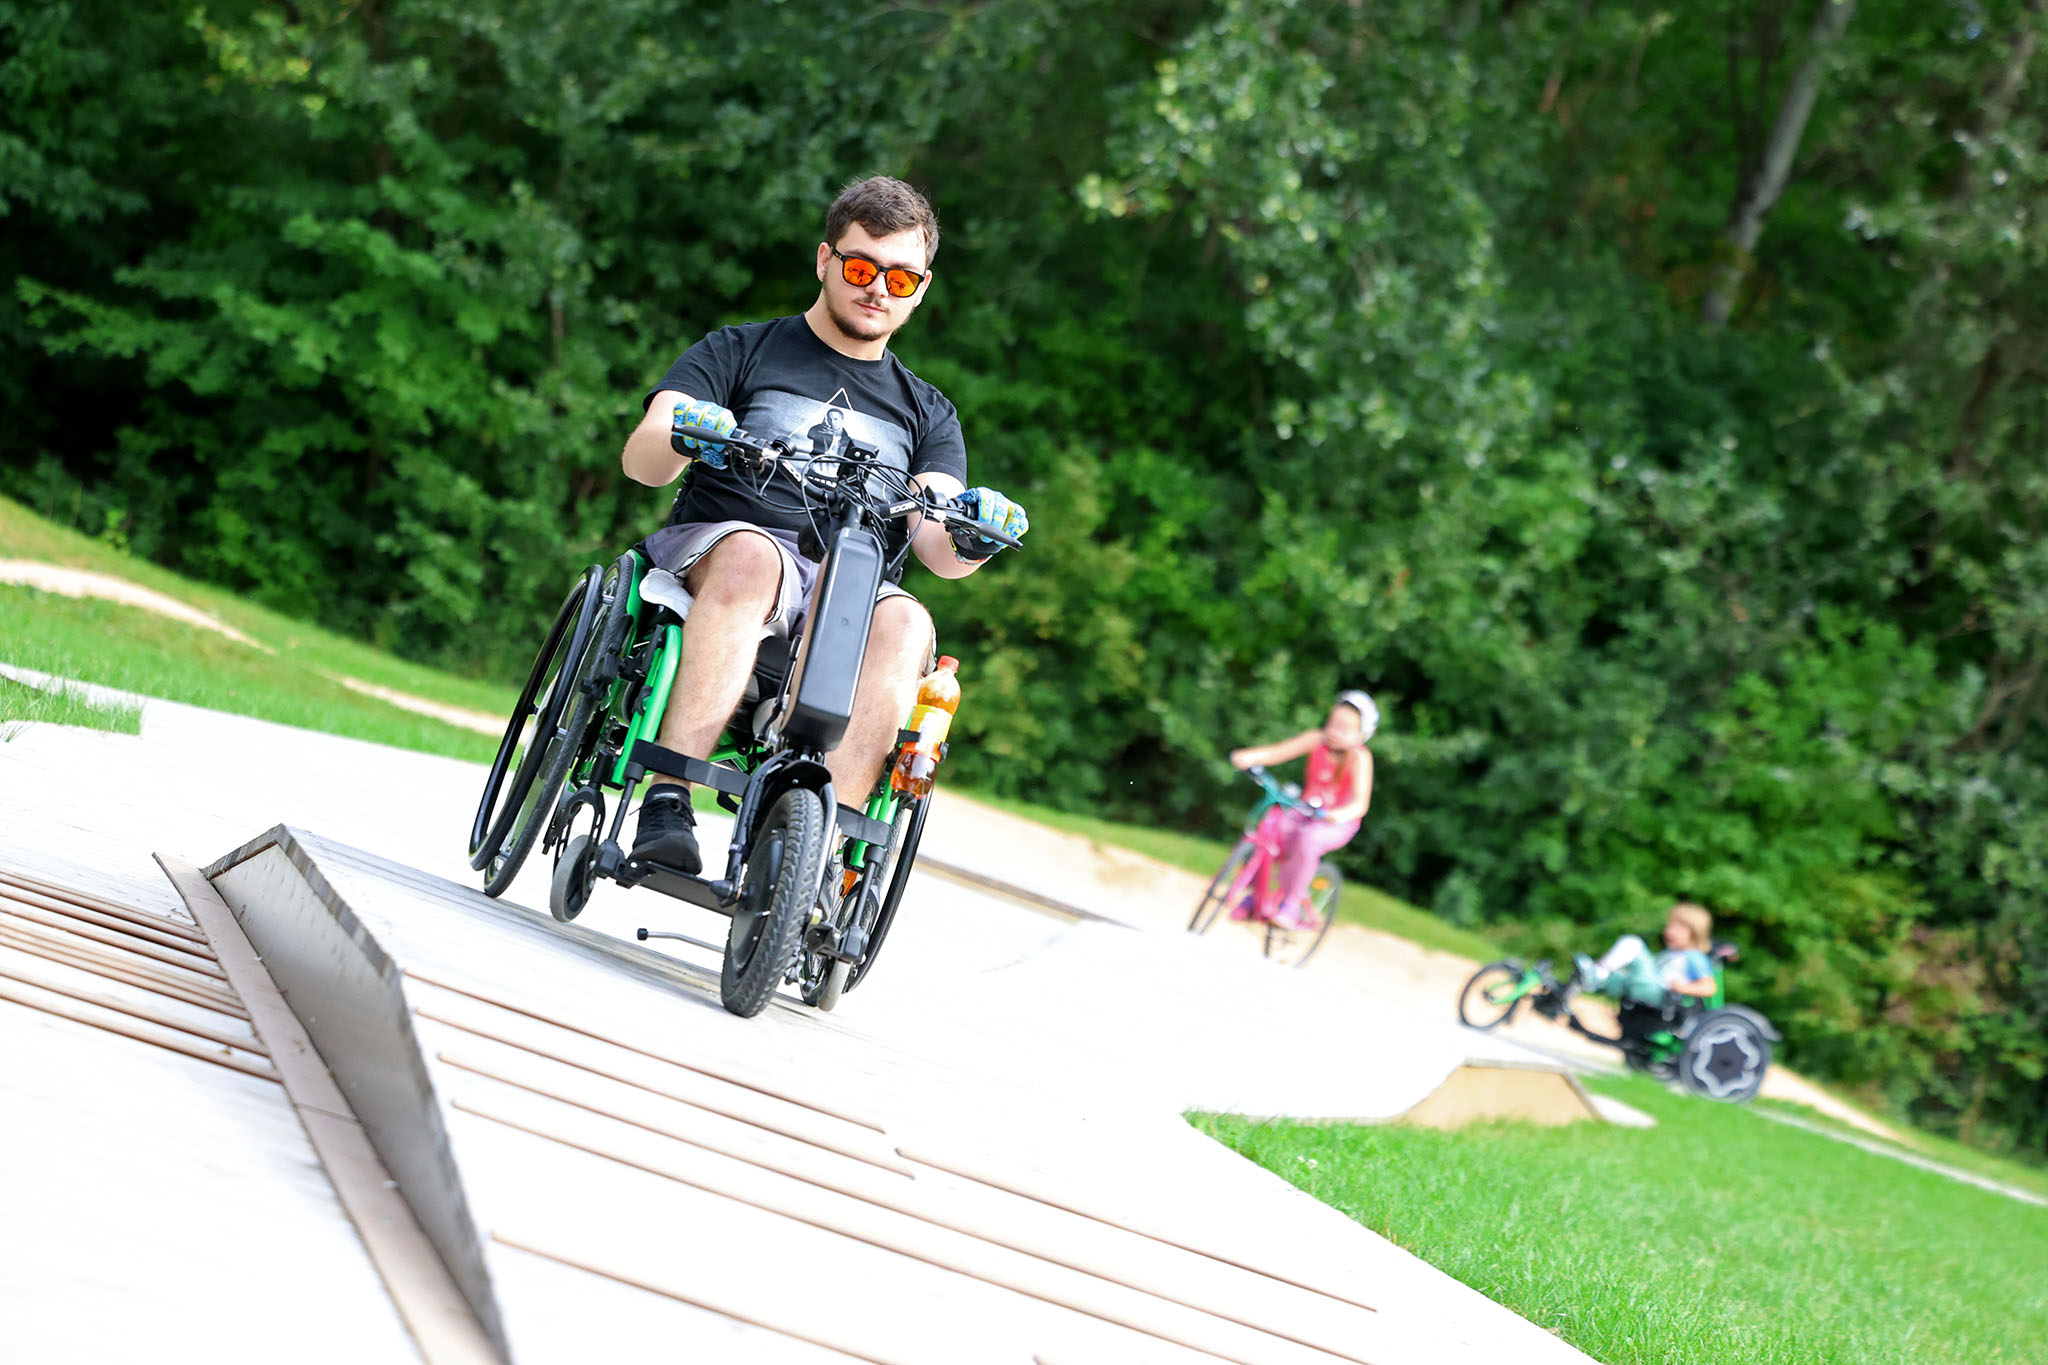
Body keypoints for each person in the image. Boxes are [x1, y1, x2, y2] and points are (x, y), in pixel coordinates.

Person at [618, 176, 1029, 873]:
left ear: (921, 289)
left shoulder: (927, 412)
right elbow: (643, 460)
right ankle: (668, 795)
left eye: (900, 278)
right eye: (862, 268)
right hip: (727, 551)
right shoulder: (740, 350)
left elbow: (938, 541)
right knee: (756, 557)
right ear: (825, 260)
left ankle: (812, 858)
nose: (879, 290)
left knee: (909, 623)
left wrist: (975, 534)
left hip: (850, 584)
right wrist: (687, 431)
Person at [1226, 690, 1378, 931]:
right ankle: (1257, 894)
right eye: (1332, 724)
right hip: (1305, 810)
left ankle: (1291, 904)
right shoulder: (1317, 740)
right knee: (1271, 830)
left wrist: (1337, 815)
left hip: (1337, 822)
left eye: (1344, 730)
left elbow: (1360, 804)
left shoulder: (1360, 758)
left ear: (1362, 734)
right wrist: (1250, 757)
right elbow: (1278, 752)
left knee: (1309, 841)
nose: (1334, 732)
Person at [1569, 903, 1718, 1007]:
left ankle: (1595, 975)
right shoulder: (1671, 953)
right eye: (1669, 926)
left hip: (1659, 992)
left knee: (1633, 943)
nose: (1669, 931)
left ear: (1694, 933)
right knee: (1621, 975)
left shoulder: (1694, 957)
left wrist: (1682, 988)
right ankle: (1590, 980)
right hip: (1649, 987)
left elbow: (1709, 987)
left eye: (1678, 928)